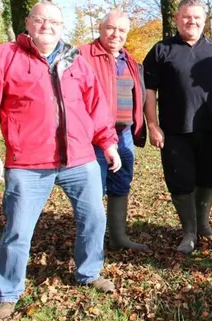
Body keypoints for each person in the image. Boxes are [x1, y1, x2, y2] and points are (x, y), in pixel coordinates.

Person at [0, 1, 120, 319]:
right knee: (19, 230)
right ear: (28, 22)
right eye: (40, 19)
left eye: (54, 21)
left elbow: (96, 104)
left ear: (62, 27)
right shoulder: (4, 56)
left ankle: (89, 272)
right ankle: (7, 292)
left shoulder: (72, 58)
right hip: (27, 164)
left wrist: (108, 142)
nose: (47, 25)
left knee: (94, 220)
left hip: (80, 159)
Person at [143, 0, 212, 254]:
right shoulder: (161, 50)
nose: (191, 21)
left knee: (209, 178)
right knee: (180, 181)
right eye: (186, 17)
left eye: (197, 17)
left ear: (204, 20)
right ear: (176, 18)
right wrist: (153, 125)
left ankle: (203, 225)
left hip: (211, 128)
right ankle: (189, 232)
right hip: (175, 131)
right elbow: (148, 92)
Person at [79, 10, 148, 251]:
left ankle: (119, 238)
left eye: (121, 30)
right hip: (92, 137)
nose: (115, 34)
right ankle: (92, 245)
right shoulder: (82, 55)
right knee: (93, 189)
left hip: (124, 135)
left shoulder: (129, 60)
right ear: (100, 28)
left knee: (121, 184)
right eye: (110, 28)